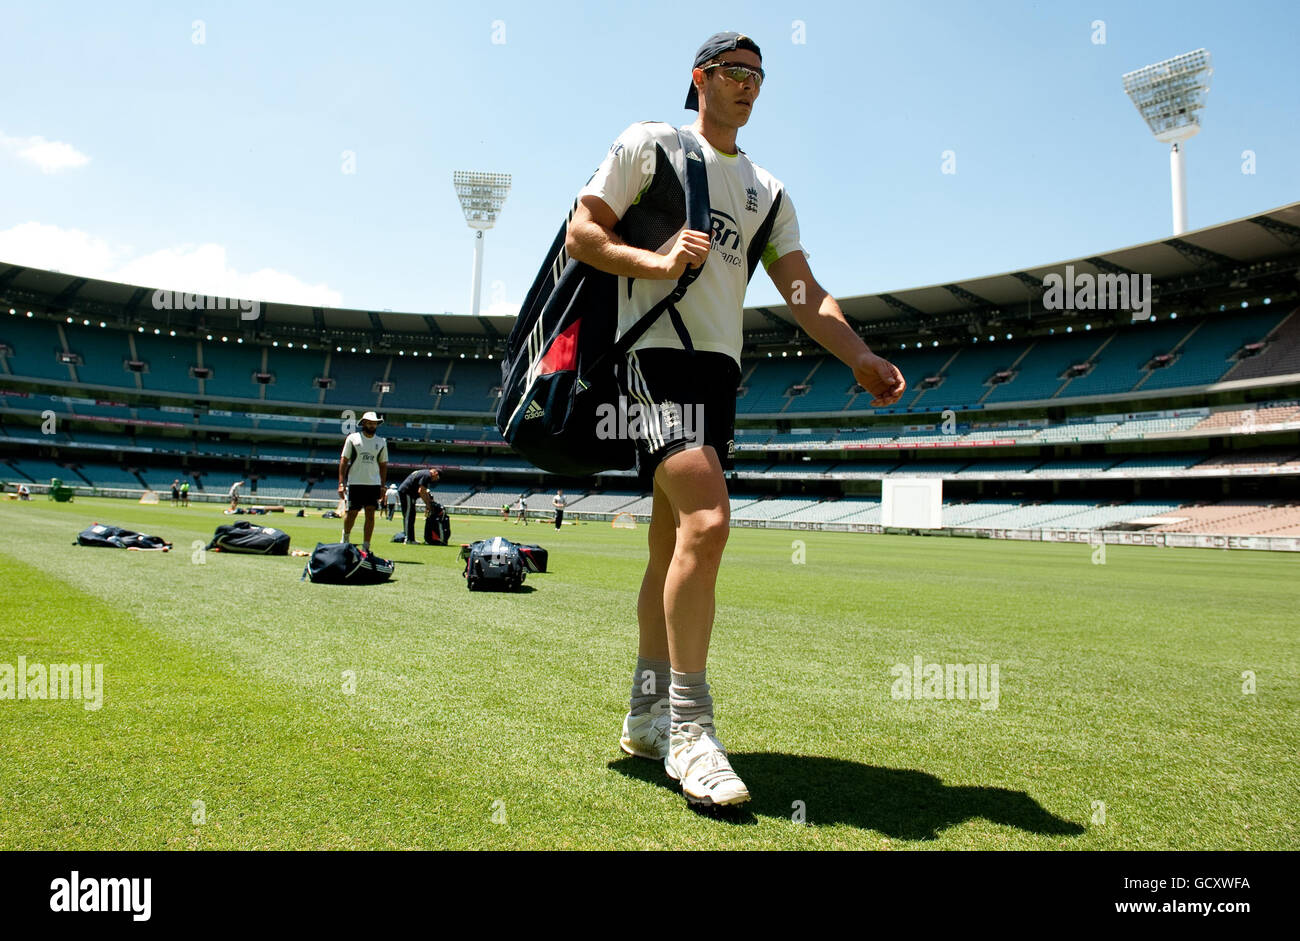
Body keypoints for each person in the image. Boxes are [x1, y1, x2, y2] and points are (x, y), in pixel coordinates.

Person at [564, 31, 906, 807]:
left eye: (758, 75)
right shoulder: (649, 144)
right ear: (701, 78)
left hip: (720, 373)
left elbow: (802, 292)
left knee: (670, 543)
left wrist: (857, 354)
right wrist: (654, 263)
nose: (748, 85)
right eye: (733, 72)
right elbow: (583, 232)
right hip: (651, 356)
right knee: (710, 520)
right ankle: (691, 728)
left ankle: (646, 714)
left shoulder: (768, 190)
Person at [338, 411, 388, 554]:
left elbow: (383, 465)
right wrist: (341, 483)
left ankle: (366, 545)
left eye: (375, 423)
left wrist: (382, 486)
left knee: (370, 514)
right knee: (352, 512)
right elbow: (344, 461)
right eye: (370, 422)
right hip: (355, 482)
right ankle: (345, 540)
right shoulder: (352, 438)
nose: (372, 425)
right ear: (364, 423)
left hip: (373, 484)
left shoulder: (381, 442)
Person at [397, 466, 440, 544]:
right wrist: (428, 505)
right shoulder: (427, 475)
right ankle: (408, 539)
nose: (434, 480)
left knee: (412, 515)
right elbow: (421, 491)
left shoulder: (424, 473)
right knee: (409, 515)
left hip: (409, 493)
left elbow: (424, 491)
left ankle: (411, 538)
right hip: (407, 492)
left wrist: (429, 502)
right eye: (436, 478)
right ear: (435, 473)